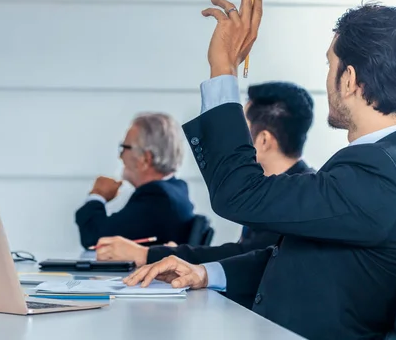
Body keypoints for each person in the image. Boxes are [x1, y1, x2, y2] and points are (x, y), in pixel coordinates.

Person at [125, 0, 396, 340]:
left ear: (349, 79)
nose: (328, 77)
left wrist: (223, 69)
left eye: (330, 65)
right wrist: (207, 273)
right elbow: (307, 259)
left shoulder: (380, 172)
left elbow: (239, 193)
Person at [94, 81, 316, 267]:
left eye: (240, 129)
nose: (232, 139)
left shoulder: (297, 197)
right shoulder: (282, 187)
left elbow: (248, 256)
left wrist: (147, 255)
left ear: (264, 141)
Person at [75, 113, 195, 249]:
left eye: (125, 148)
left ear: (145, 158)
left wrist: (97, 195)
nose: (120, 156)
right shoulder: (177, 188)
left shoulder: (157, 196)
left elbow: (94, 238)